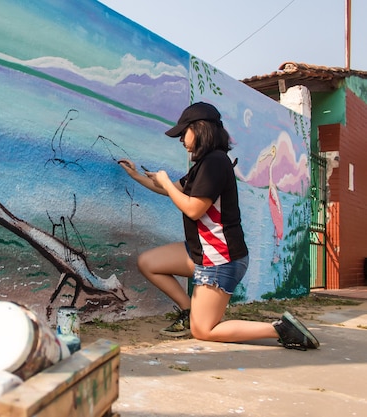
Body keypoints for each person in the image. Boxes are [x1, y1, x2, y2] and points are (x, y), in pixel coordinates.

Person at [118, 102, 319, 350]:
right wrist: (137, 175)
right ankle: (188, 310)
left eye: (184, 132)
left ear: (200, 129)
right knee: (149, 262)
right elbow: (172, 191)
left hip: (220, 259)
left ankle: (281, 329)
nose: (181, 139)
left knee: (203, 330)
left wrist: (166, 182)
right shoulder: (203, 165)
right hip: (203, 253)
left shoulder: (216, 163)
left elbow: (193, 208)